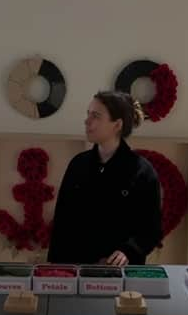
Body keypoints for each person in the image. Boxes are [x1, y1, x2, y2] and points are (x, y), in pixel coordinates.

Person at [48, 90, 162, 267]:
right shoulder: (78, 165)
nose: (87, 121)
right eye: (88, 114)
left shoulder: (142, 172)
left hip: (120, 275)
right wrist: (56, 269)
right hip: (75, 271)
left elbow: (151, 231)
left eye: (96, 116)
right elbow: (62, 224)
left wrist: (128, 251)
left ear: (117, 125)